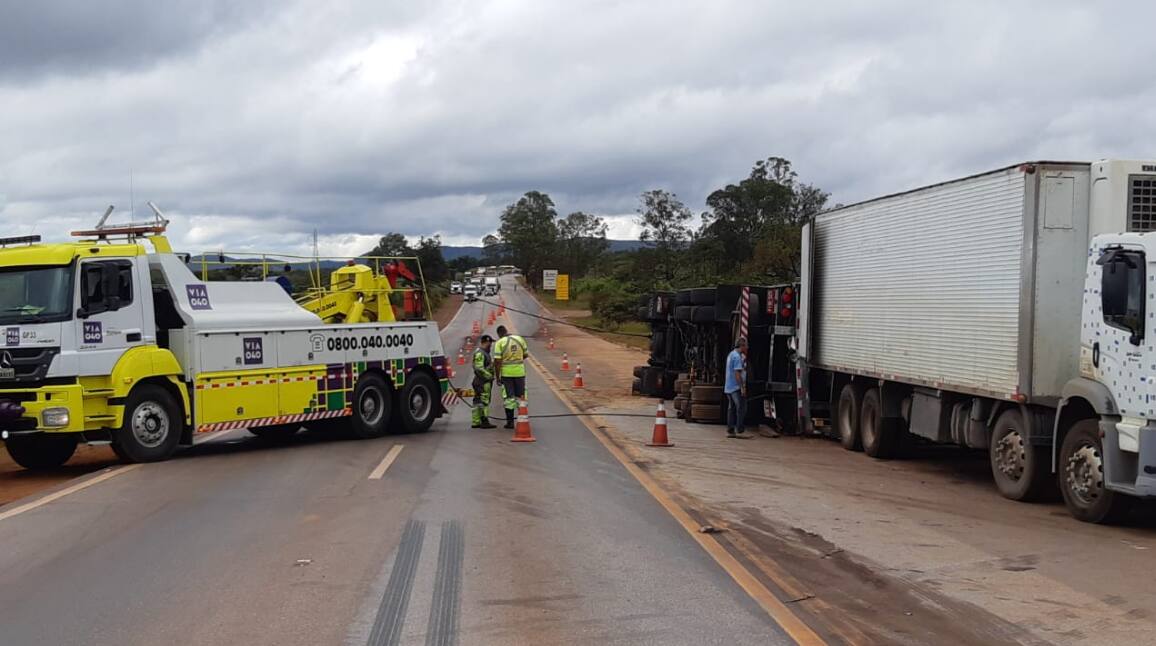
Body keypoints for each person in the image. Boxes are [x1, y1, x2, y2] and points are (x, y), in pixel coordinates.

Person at [491, 324, 529, 429]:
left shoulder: (500, 343)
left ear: (499, 334)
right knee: (521, 396)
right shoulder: (520, 339)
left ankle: (510, 422)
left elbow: (497, 362)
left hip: (507, 374)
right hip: (520, 372)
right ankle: (523, 418)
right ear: (506, 330)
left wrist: (498, 377)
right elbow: (525, 355)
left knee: (509, 398)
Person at [724, 337, 751, 439]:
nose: (747, 347)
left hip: (728, 386)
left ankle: (730, 429)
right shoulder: (737, 357)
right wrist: (742, 387)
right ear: (742, 346)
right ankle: (739, 429)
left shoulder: (731, 355)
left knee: (731, 408)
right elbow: (737, 374)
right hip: (735, 387)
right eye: (746, 345)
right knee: (741, 407)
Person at [471, 335, 497, 429]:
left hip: (480, 381)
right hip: (482, 381)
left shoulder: (484, 353)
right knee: (484, 401)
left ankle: (476, 421)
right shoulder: (480, 353)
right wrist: (489, 376)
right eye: (490, 343)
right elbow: (479, 368)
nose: (491, 345)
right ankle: (484, 421)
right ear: (486, 342)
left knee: (477, 401)